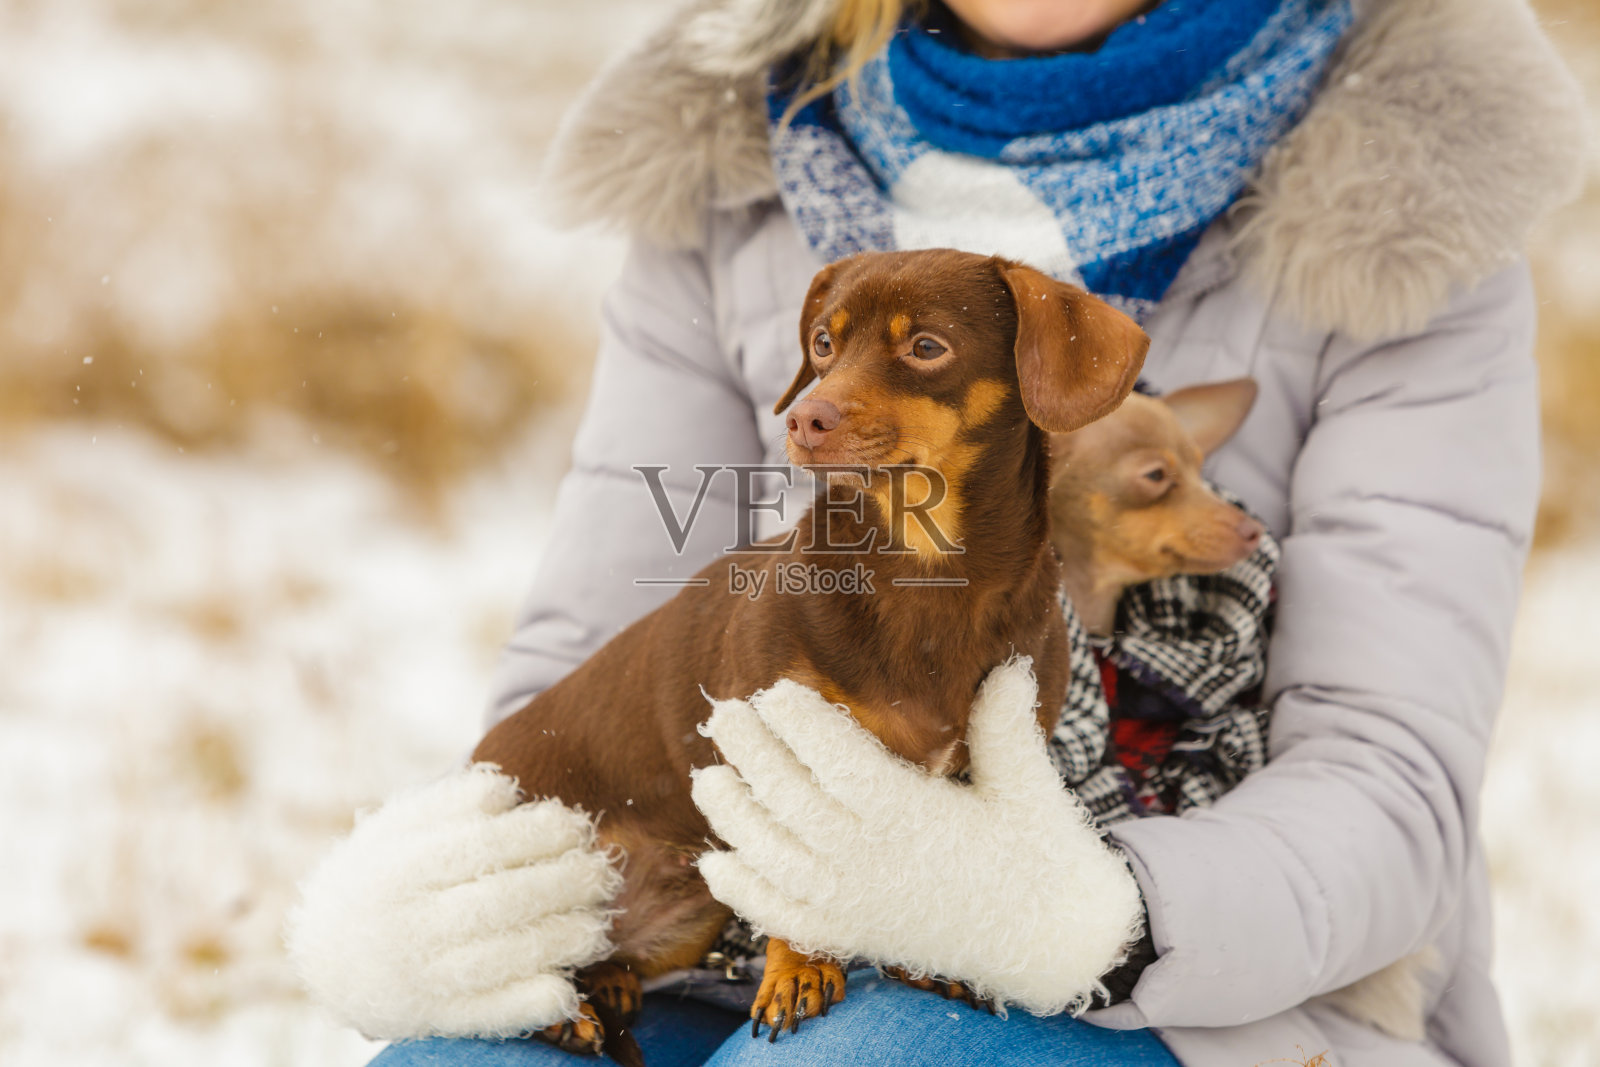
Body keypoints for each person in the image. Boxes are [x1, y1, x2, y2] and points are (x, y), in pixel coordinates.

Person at [324, 0, 1588, 1063]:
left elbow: (1391, 788)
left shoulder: (1410, 203)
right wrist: (459, 877)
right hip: (721, 936)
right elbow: (604, 651)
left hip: (1214, 1004)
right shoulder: (728, 157)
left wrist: (1078, 913)